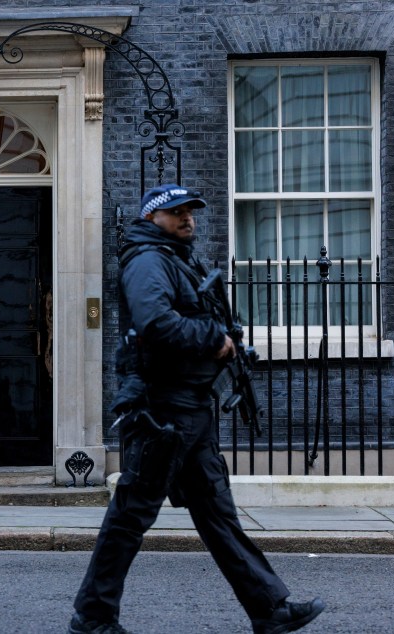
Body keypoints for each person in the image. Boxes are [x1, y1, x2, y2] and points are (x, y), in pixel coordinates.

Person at [68, 184, 324, 634]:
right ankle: (93, 617)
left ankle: (269, 610)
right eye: (175, 212)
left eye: (190, 211)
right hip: (163, 411)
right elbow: (155, 323)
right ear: (152, 218)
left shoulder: (176, 260)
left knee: (217, 513)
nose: (188, 218)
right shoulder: (148, 261)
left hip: (191, 409)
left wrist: (227, 337)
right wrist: (216, 341)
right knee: (130, 516)